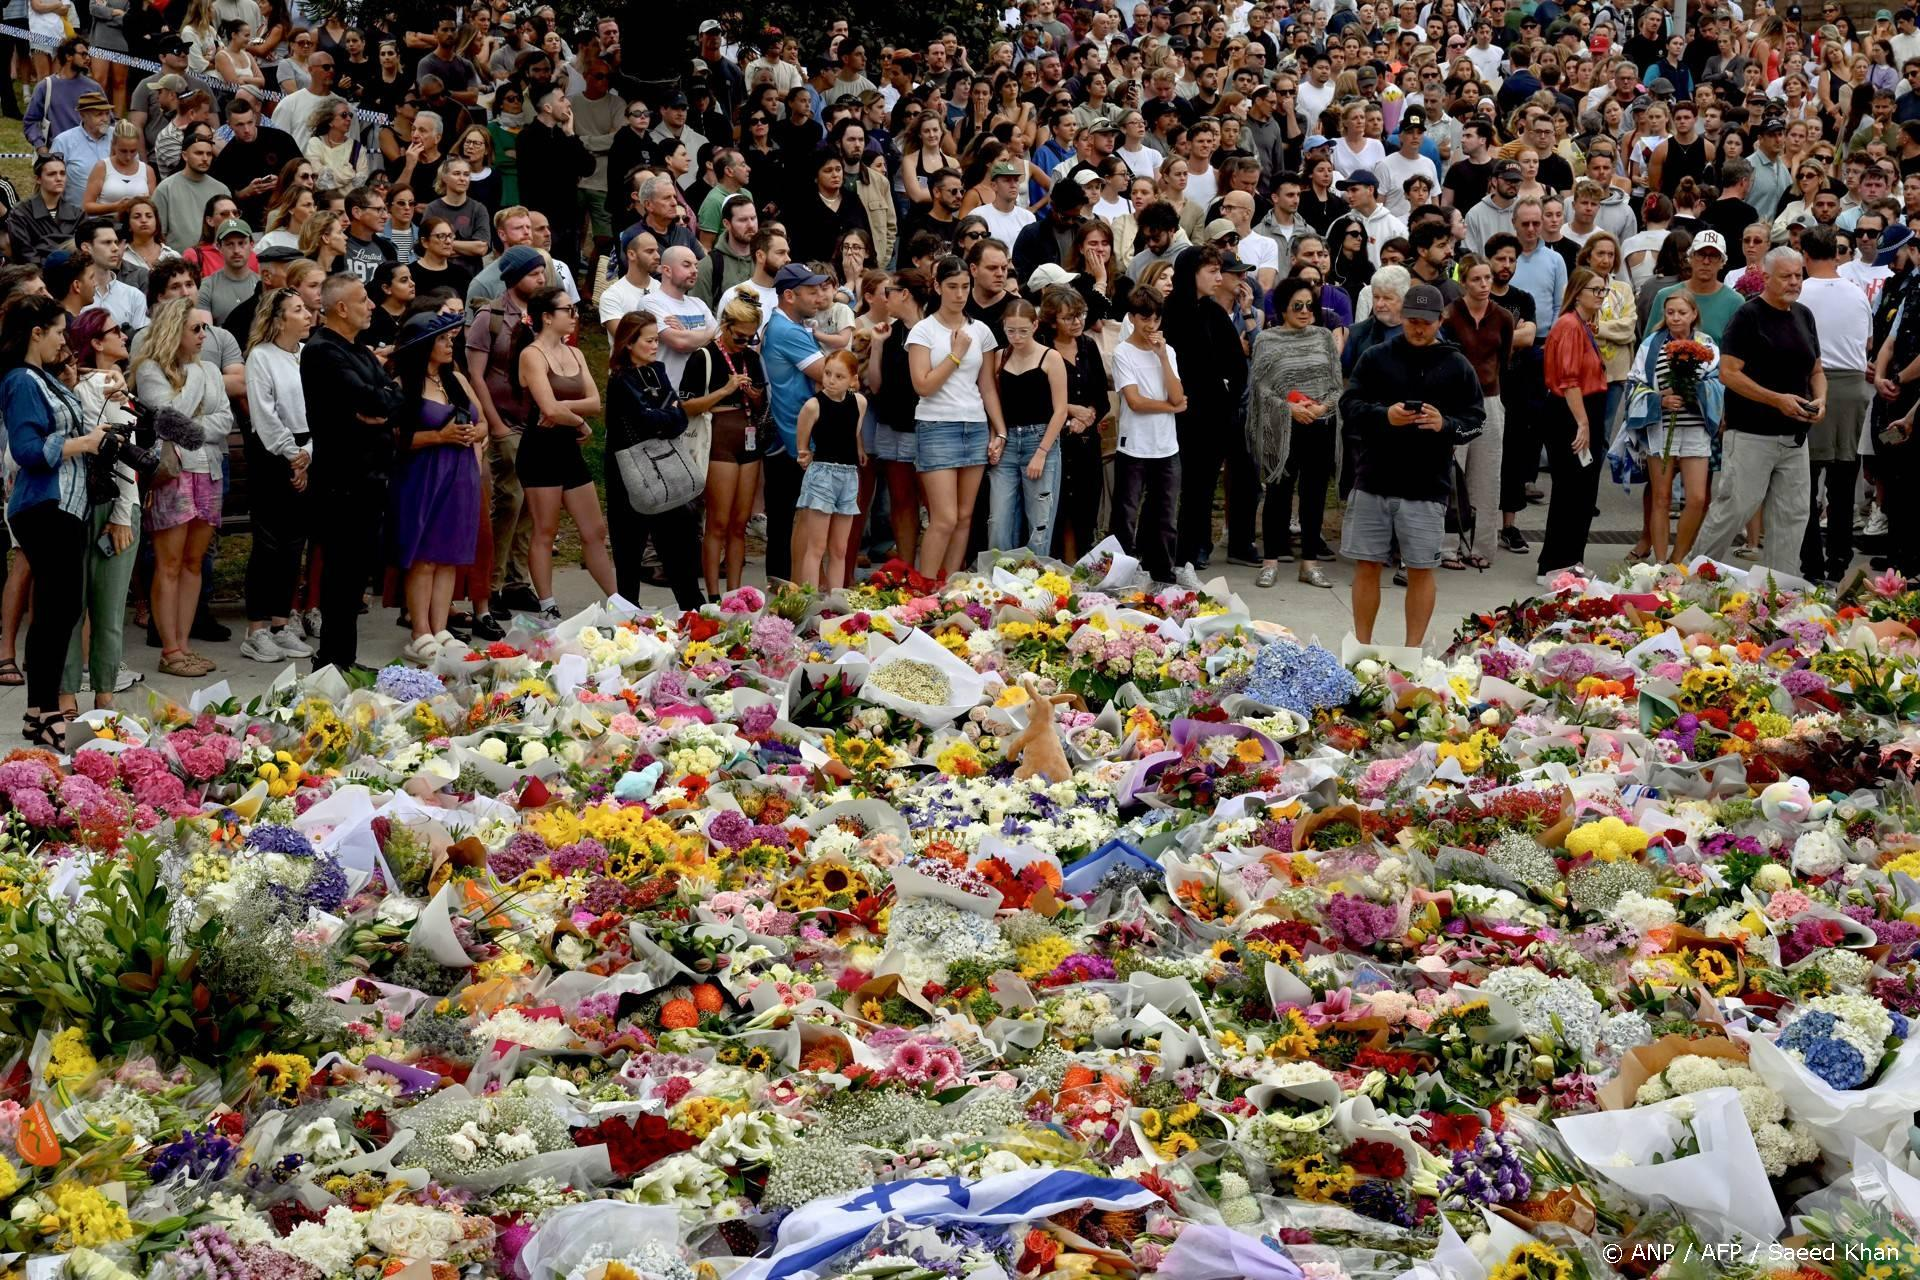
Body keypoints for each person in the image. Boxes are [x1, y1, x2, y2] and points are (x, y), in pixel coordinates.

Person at [1338, 282, 1486, 647]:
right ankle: (1362, 646)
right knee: (1367, 565)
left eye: (1427, 322)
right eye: (1412, 321)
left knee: (1421, 569)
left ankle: (1412, 651)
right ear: (1402, 317)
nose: (1419, 328)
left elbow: (1478, 420)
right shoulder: (1375, 357)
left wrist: (1446, 425)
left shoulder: (1456, 365)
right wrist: (1384, 415)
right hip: (1373, 478)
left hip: (1426, 485)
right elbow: (1348, 407)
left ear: (1441, 321)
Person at [0, 295, 104, 745]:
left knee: (61, 613)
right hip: (44, 506)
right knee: (54, 615)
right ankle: (43, 711)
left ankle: (40, 713)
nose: (65, 340)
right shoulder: (22, 380)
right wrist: (84, 443)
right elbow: (26, 451)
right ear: (35, 333)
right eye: (59, 331)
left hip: (65, 507)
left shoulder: (41, 377)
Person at [1694, 247, 1826, 574]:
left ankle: (1776, 592)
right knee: (1733, 510)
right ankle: (1690, 577)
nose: (1794, 282)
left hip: (1795, 438)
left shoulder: (1804, 315)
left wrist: (1822, 400)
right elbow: (1728, 372)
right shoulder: (1748, 315)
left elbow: (1817, 371)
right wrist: (1776, 399)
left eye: (1798, 275)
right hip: (1751, 434)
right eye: (1786, 276)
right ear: (1766, 278)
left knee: (1793, 516)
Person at [303, 272, 404, 673]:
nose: (371, 305)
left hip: (370, 479)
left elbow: (394, 400)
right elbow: (369, 398)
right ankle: (331, 661)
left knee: (355, 578)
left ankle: (344, 658)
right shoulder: (321, 351)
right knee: (341, 577)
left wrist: (381, 407)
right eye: (363, 299)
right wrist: (378, 404)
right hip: (341, 481)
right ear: (341, 308)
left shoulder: (359, 351)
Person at [132, 296, 231, 678]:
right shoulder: (151, 368)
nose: (204, 335)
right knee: (169, 563)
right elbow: (166, 419)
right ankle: (168, 648)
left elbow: (224, 420)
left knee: (194, 563)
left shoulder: (210, 368)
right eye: (196, 328)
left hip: (209, 471)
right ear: (175, 330)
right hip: (174, 474)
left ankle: (184, 646)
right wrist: (191, 377)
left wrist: (191, 423)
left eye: (205, 327)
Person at [512, 287, 615, 616]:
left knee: (594, 529)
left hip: (566, 449)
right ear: (546, 317)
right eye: (567, 310)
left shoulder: (576, 353)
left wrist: (568, 411)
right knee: (545, 529)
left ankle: (618, 600)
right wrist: (578, 423)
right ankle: (547, 604)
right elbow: (547, 409)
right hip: (540, 450)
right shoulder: (531, 354)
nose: (573, 316)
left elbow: (594, 403)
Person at [389, 310, 484, 660]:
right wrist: (438, 435)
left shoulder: (456, 379)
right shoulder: (403, 386)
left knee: (448, 556)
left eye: (450, 338)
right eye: (442, 339)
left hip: (460, 473)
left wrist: (476, 433)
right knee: (424, 556)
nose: (450, 343)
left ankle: (441, 627)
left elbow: (483, 421)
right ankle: (420, 630)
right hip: (423, 474)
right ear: (423, 344)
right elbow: (395, 439)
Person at [61, 307, 140, 709]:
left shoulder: (120, 384)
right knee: (70, 608)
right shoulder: (78, 387)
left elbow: (128, 453)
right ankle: (66, 694)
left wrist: (122, 515)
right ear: (95, 342)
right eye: (116, 332)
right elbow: (105, 445)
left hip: (119, 505)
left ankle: (105, 698)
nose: (124, 337)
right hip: (81, 504)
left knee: (109, 611)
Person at [907, 254, 1003, 578]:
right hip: (936, 425)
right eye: (952, 287)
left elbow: (988, 386)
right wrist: (955, 354)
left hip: (974, 425)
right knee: (944, 517)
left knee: (964, 517)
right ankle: (923, 589)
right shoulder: (923, 330)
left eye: (965, 286)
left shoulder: (982, 331)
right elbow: (923, 385)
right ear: (937, 286)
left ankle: (949, 589)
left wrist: (998, 431)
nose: (960, 294)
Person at [237, 284, 317, 664]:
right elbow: (264, 414)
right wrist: (291, 455)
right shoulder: (260, 358)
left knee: (293, 544)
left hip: (307, 451)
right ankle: (256, 629)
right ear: (278, 318)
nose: (307, 314)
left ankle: (281, 624)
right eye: (298, 309)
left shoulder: (308, 355)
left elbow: (321, 406)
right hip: (272, 454)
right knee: (268, 543)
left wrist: (308, 454)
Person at [604, 311, 704, 606]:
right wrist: (666, 413)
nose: (654, 346)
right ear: (629, 343)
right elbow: (643, 421)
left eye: (656, 339)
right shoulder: (621, 381)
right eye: (649, 340)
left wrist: (665, 414)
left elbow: (679, 417)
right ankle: (627, 617)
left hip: (666, 469)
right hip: (630, 473)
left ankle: (693, 609)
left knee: (679, 546)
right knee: (629, 551)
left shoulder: (658, 370)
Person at [1249, 275, 1342, 589]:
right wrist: (1289, 409)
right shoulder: (1267, 340)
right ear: (1282, 310)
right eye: (1297, 306)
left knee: (1314, 496)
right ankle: (1270, 562)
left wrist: (1320, 408)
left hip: (1318, 426)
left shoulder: (1324, 338)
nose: (1305, 311)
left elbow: (1336, 385)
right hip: (1282, 429)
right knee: (1278, 493)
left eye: (1309, 305)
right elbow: (1260, 388)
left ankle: (1310, 564)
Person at [468, 245, 545, 618]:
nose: (541, 278)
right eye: (533, 274)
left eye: (542, 272)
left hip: (536, 423)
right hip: (504, 420)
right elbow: (476, 375)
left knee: (532, 502)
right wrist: (494, 423)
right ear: (514, 278)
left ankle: (517, 580)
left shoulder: (544, 316)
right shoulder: (491, 316)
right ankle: (491, 583)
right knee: (509, 500)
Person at [1164, 244, 1249, 572]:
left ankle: (1192, 548)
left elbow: (1236, 364)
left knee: (1201, 489)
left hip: (1213, 418)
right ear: (1191, 274)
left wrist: (1226, 391)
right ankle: (1159, 546)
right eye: (1211, 271)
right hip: (1174, 414)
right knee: (1168, 486)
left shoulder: (1214, 313)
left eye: (1219, 271)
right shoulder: (1169, 312)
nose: (1218, 277)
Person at [1796, 224, 1873, 583]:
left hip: (1814, 384)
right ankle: (1839, 560)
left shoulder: (1800, 292)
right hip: (1852, 387)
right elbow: (1868, 341)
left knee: (1806, 482)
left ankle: (1812, 562)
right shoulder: (1857, 292)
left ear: (1805, 255)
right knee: (1843, 482)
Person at [1624, 290, 1724, 563]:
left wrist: (1696, 391)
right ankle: (1658, 562)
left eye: (1682, 312)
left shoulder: (1707, 345)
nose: (1676, 318)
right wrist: (1659, 400)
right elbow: (1634, 386)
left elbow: (1719, 382)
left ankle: (1677, 558)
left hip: (1695, 427)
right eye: (1670, 313)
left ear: (1693, 314)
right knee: (1661, 497)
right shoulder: (1651, 345)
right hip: (1662, 427)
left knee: (1696, 498)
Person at [683, 288, 767, 601]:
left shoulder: (751, 359)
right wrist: (725, 390)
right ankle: (714, 595)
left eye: (750, 338)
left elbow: (762, 406)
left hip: (747, 440)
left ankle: (736, 592)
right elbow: (686, 406)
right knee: (717, 521)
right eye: (740, 337)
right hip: (718, 441)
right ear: (725, 326)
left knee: (739, 523)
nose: (744, 343)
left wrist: (756, 399)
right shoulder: (704, 356)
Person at [1535, 269, 1612, 583]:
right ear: (1578, 291)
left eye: (1603, 290)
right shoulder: (1569, 325)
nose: (1600, 295)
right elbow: (1568, 381)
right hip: (1572, 410)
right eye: (1595, 290)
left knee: (1580, 491)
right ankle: (1559, 562)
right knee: (1572, 490)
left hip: (1581, 408)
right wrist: (1582, 423)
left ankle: (1568, 560)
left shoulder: (1581, 325)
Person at [1442, 255, 1514, 571]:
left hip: (1490, 399)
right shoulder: (1449, 315)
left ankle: (1481, 546)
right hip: (1454, 402)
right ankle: (1446, 546)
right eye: (1477, 279)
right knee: (1452, 474)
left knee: (1487, 476)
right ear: (1463, 282)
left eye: (1487, 279)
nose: (1485, 285)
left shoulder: (1503, 317)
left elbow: (1505, 359)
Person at [1111, 286, 1186, 584]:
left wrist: (1163, 358)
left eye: (1156, 318)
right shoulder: (1122, 352)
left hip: (1167, 447)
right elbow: (1135, 401)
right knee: (1125, 517)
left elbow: (1178, 392)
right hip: (1134, 447)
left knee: (1166, 518)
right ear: (1132, 318)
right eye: (1144, 318)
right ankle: (1121, 578)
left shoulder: (1167, 351)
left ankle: (1164, 576)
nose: (1151, 325)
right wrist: (1170, 406)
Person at [761, 262, 830, 582]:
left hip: (794, 437)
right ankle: (785, 598)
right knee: (791, 522)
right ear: (790, 295)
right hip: (793, 440)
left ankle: (789, 596)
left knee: (792, 521)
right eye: (811, 291)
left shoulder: (790, 326)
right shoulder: (787, 330)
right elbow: (832, 376)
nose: (818, 297)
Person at [987, 297, 1066, 556]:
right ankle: (998, 576)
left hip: (1040, 437)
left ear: (1035, 325)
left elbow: (1060, 410)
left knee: (1039, 521)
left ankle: (1034, 580)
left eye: (1023, 330)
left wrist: (1042, 453)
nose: (1017, 337)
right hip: (1009, 438)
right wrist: (996, 435)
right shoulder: (1000, 356)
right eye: (1011, 331)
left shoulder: (1050, 357)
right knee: (999, 517)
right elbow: (994, 400)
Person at [790, 349, 869, 588]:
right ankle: (810, 601)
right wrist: (806, 458)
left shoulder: (859, 403)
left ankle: (835, 600)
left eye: (839, 376)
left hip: (848, 475)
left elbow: (852, 434)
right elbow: (802, 446)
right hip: (822, 473)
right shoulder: (814, 405)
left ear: (853, 379)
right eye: (828, 374)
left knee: (839, 547)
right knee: (816, 546)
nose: (831, 381)